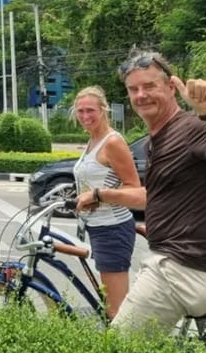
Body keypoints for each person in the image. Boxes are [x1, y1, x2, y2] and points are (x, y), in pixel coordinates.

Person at [77, 50, 206, 333]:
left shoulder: (192, 128)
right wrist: (153, 223)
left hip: (185, 268)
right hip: (177, 260)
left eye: (150, 86)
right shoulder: (154, 140)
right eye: (133, 89)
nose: (141, 95)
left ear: (171, 87)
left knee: (118, 345)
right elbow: (160, 194)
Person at [71, 86, 139, 320]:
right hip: (97, 227)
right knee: (110, 303)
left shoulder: (112, 142)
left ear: (103, 110)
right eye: (80, 111)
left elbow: (134, 187)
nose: (85, 116)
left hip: (112, 227)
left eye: (90, 110)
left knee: (116, 311)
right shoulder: (93, 140)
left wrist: (98, 195)